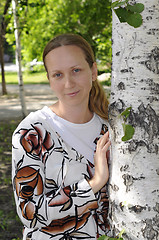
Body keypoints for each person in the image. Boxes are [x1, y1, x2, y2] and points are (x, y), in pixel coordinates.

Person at [12, 33, 111, 240]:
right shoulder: (32, 133)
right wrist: (95, 183)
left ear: (93, 71)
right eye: (58, 74)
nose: (68, 83)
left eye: (76, 70)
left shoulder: (111, 128)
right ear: (49, 79)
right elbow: (29, 213)